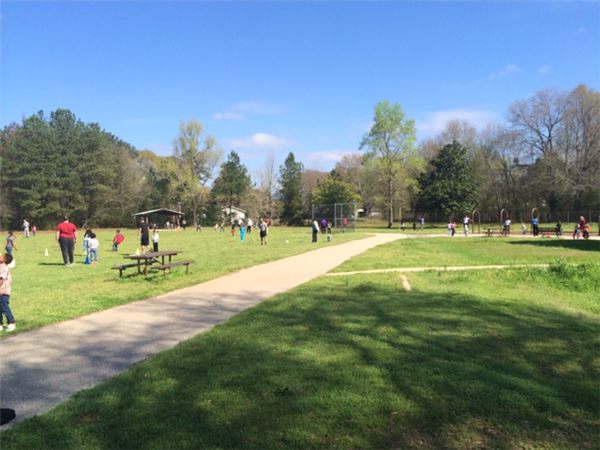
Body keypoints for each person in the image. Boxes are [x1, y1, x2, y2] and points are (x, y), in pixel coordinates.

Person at [0, 253, 16, 332]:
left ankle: (11, 322)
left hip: (3, 291)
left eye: (1, 256)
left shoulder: (3, 267)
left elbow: (1, 279)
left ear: (4, 260)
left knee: (4, 307)